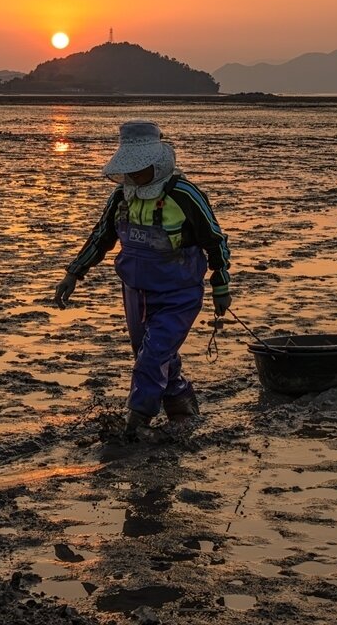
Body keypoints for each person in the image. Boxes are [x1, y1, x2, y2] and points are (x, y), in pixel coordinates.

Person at [54, 120, 231, 438]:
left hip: (179, 292)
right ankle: (180, 399)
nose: (134, 176)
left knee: (151, 357)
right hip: (135, 291)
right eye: (129, 170)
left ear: (157, 162)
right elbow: (101, 236)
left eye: (140, 169)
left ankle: (136, 423)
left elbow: (215, 239)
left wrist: (221, 285)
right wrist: (73, 273)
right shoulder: (122, 198)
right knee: (150, 353)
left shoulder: (184, 195)